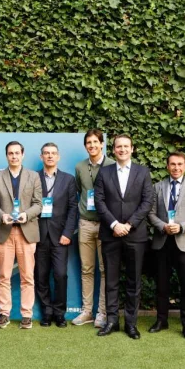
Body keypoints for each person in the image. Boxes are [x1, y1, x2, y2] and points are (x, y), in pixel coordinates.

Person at [94, 135, 154, 339]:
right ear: (113, 150)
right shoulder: (104, 172)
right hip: (110, 234)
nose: (122, 149)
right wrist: (114, 224)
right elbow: (99, 201)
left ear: (132, 149)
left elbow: (147, 201)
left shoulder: (143, 172)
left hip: (135, 235)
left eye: (126, 146)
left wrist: (128, 225)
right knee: (111, 280)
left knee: (133, 281)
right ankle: (111, 321)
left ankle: (131, 323)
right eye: (119, 146)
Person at [147, 152, 185, 340]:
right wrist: (162, 226)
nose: (176, 168)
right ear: (167, 166)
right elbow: (151, 214)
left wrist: (181, 227)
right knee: (162, 285)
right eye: (173, 164)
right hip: (162, 241)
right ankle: (161, 320)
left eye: (180, 164)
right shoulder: (157, 187)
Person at [0, 141, 43, 329]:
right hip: (4, 231)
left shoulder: (33, 176)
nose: (14, 156)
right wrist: (1, 215)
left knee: (27, 276)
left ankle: (27, 315)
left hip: (26, 232)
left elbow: (38, 204)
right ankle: (4, 313)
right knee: (3, 276)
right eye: (10, 153)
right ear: (7, 156)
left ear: (22, 154)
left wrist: (26, 215)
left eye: (17, 153)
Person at [72, 129, 113, 327]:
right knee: (86, 269)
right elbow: (80, 190)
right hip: (86, 223)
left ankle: (102, 312)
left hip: (106, 225)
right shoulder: (80, 167)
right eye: (89, 142)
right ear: (85, 146)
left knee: (105, 270)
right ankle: (87, 311)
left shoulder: (112, 165)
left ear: (102, 144)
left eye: (96, 142)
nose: (92, 145)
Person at [34, 143, 78, 328]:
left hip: (61, 236)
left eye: (53, 153)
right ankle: (47, 312)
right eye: (46, 153)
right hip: (38, 235)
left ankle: (60, 313)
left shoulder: (68, 180)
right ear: (41, 157)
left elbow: (73, 208)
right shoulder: (33, 178)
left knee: (60, 275)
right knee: (41, 276)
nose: (50, 156)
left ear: (58, 157)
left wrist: (68, 233)